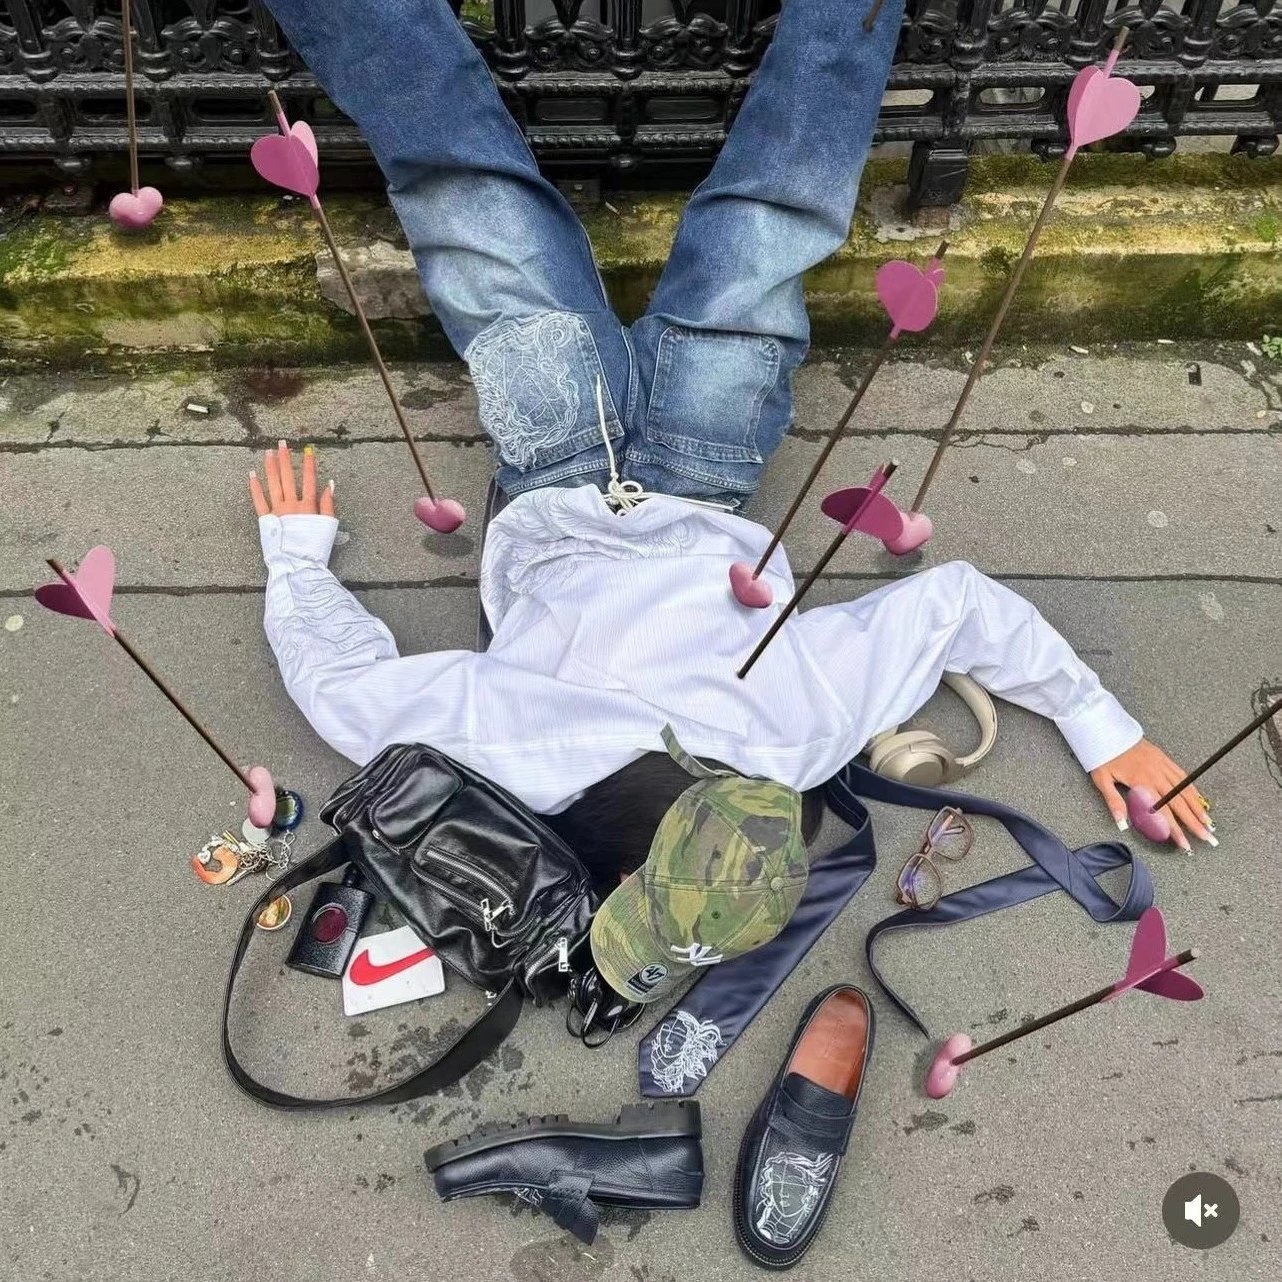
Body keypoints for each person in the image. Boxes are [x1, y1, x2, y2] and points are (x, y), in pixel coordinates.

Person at [250, 0, 1213, 874]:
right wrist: (295, 561)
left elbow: (957, 608)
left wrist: (1100, 724)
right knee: (474, 194)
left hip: (618, 464)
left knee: (755, 211)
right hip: (654, 470)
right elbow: (349, 694)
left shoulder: (790, 740)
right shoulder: (526, 760)